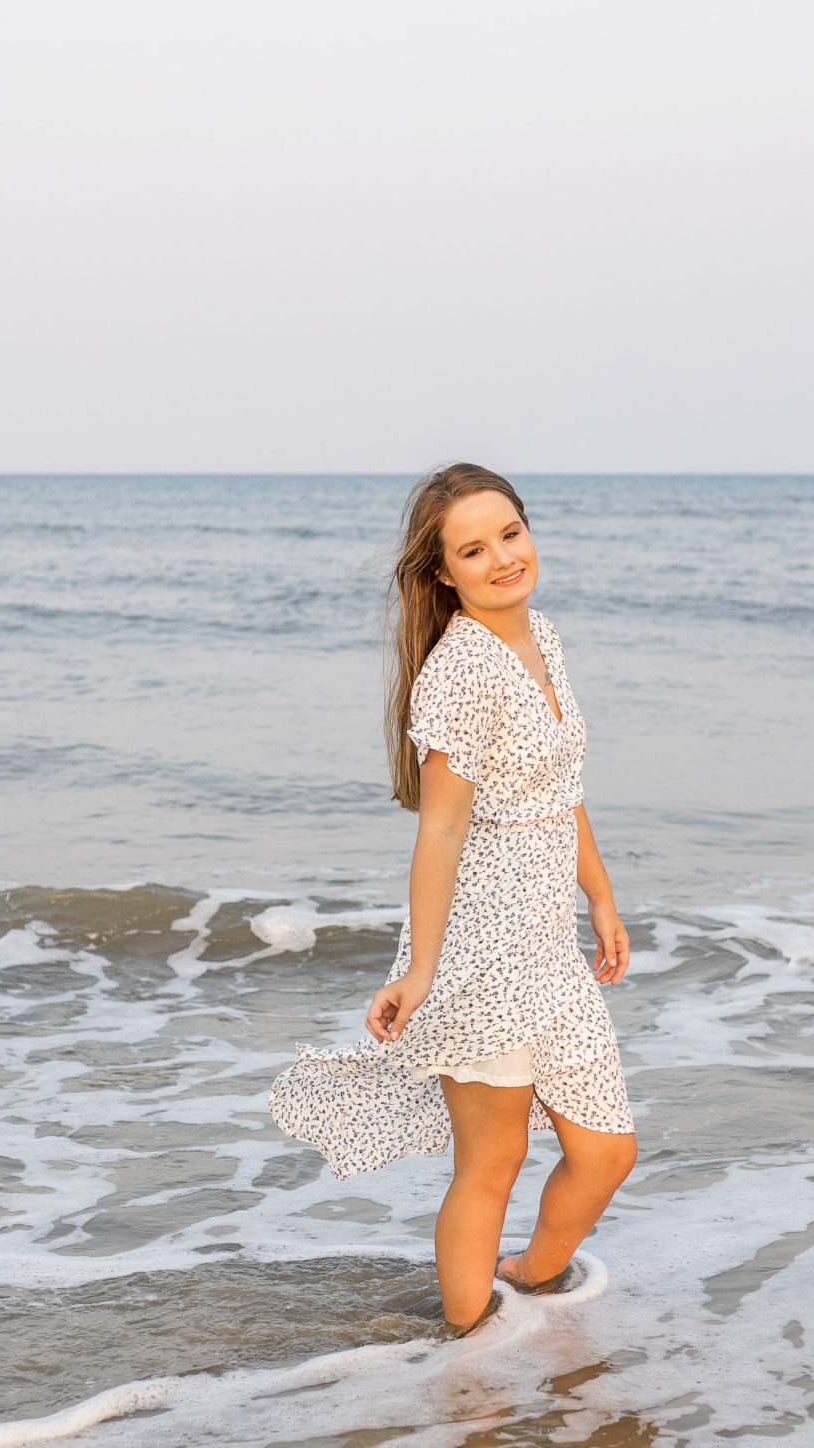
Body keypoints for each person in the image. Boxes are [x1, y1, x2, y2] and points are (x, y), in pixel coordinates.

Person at [271, 463, 636, 1334]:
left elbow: (561, 782)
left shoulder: (540, 637)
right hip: (481, 956)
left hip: (547, 950)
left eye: (509, 533)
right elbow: (438, 834)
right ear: (444, 573)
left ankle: (533, 1278)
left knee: (606, 1152)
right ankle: (470, 1355)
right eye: (473, 549)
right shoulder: (461, 671)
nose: (502, 558)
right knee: (492, 1162)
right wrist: (423, 968)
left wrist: (603, 897)